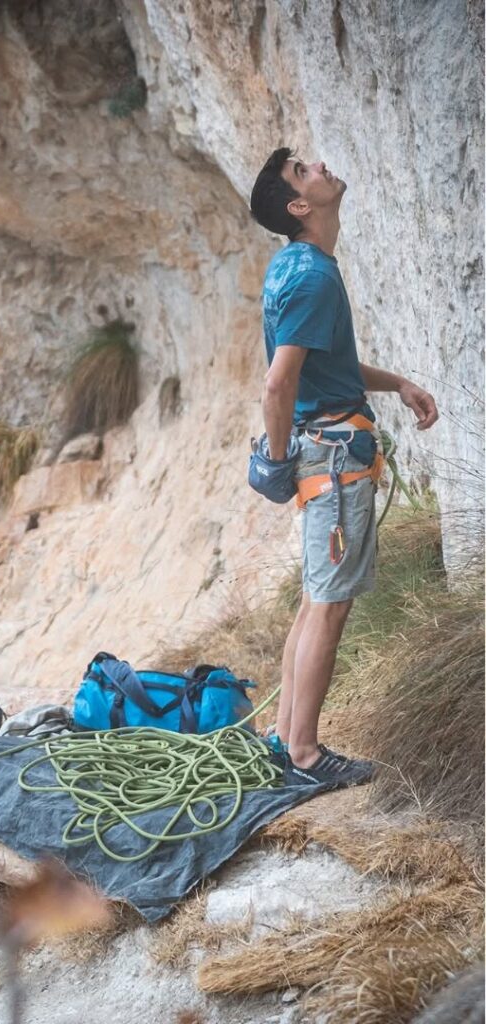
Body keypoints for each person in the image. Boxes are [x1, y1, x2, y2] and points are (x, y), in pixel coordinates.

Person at [249, 148, 438, 787]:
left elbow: (324, 367)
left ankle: (283, 739)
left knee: (314, 601)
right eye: (304, 172)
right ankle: (304, 754)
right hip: (333, 459)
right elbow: (278, 386)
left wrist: (399, 384)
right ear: (300, 206)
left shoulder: (295, 267)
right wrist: (276, 463)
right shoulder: (312, 277)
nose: (320, 167)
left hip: (323, 450)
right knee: (328, 607)